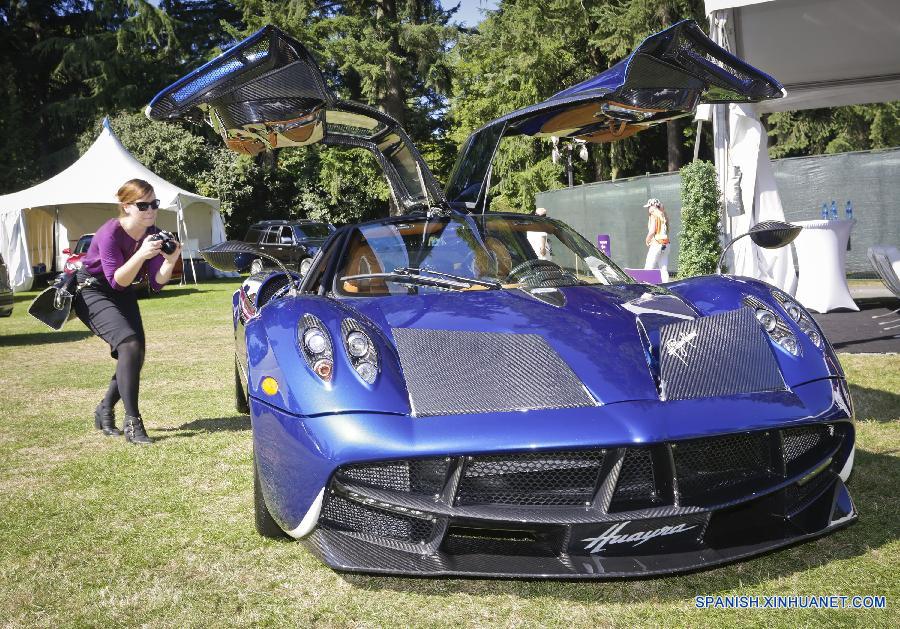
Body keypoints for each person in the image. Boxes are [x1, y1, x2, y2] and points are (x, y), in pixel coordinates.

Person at [73, 179, 182, 445]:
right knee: (130, 344)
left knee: (136, 353)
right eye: (142, 205)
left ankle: (104, 408)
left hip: (122, 293)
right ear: (126, 207)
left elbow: (156, 283)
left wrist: (170, 260)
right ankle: (133, 422)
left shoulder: (152, 233)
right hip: (92, 290)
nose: (150, 210)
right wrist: (142, 254)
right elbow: (117, 280)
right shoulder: (110, 232)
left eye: (154, 204)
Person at [643, 198, 670, 282]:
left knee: (648, 268)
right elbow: (668, 229)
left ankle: (646, 290)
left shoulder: (653, 215)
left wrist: (647, 240)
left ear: (653, 206)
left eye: (649, 207)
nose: (648, 209)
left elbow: (652, 231)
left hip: (656, 243)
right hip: (666, 243)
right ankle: (667, 287)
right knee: (663, 269)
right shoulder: (663, 214)